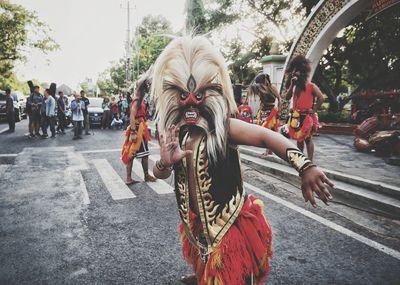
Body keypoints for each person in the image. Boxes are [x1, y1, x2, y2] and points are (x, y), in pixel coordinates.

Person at [151, 36, 334, 285]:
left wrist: (305, 166)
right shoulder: (177, 133)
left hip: (228, 226)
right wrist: (164, 163)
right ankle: (202, 274)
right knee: (204, 257)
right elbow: (158, 174)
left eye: (199, 95)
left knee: (233, 276)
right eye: (184, 95)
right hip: (195, 223)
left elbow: (267, 137)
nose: (192, 102)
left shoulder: (225, 128)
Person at [284, 55, 324, 161]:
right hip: (296, 117)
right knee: (299, 139)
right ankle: (300, 160)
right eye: (293, 72)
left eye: (297, 72)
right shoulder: (294, 86)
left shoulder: (311, 86)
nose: (294, 74)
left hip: (307, 117)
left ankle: (310, 161)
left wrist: (314, 110)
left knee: (308, 139)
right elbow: (287, 98)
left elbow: (321, 98)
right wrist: (292, 85)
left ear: (303, 73)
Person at [121, 74, 157, 185]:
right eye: (146, 86)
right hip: (137, 127)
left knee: (133, 153)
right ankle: (143, 176)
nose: (148, 88)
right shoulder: (137, 99)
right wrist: (133, 132)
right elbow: (132, 115)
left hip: (138, 126)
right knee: (140, 154)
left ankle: (130, 177)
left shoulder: (139, 98)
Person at [247, 72, 281, 157]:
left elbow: (279, 99)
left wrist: (279, 111)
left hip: (272, 111)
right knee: (266, 132)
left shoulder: (272, 88)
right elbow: (250, 89)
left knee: (270, 132)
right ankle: (268, 151)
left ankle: (269, 151)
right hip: (263, 112)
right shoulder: (259, 88)